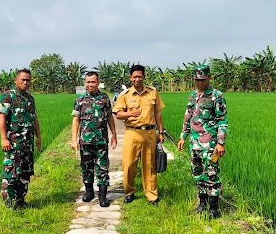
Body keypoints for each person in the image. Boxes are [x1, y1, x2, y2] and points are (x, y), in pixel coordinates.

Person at [177, 64, 228, 219]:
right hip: (194, 142)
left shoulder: (216, 96)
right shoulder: (192, 95)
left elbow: (222, 120)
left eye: (203, 79)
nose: (200, 82)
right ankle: (202, 204)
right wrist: (183, 136)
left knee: (211, 174)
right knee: (197, 173)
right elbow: (188, 116)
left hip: (210, 143)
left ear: (209, 78)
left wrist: (220, 142)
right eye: (197, 79)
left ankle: (213, 209)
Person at [112, 64, 165, 205]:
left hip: (149, 133)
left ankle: (152, 195)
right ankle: (129, 192)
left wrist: (161, 132)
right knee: (129, 164)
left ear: (144, 77)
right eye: (134, 77)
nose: (137, 79)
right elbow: (118, 114)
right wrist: (130, 113)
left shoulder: (152, 93)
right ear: (130, 78)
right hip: (132, 132)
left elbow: (157, 113)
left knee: (149, 165)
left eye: (140, 76)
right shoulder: (125, 95)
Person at [0, 69, 42, 210]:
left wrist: (38, 137)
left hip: (27, 144)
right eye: (22, 79)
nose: (25, 82)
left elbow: (34, 119)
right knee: (11, 173)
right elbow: (1, 118)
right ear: (16, 81)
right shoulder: (7, 97)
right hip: (13, 143)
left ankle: (21, 201)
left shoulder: (30, 99)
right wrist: (4, 138)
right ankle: (9, 205)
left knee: (25, 172)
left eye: (28, 80)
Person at [71, 71, 117, 207]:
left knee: (102, 167)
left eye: (93, 82)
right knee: (86, 167)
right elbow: (76, 120)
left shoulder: (104, 99)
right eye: (88, 82)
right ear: (85, 83)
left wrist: (114, 134)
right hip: (85, 141)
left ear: (98, 82)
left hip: (101, 140)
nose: (90, 84)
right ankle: (89, 191)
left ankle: (103, 196)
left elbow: (109, 117)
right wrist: (74, 140)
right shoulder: (79, 100)